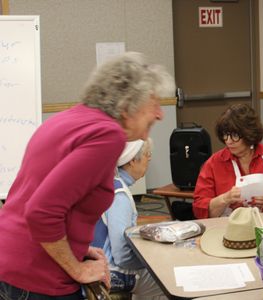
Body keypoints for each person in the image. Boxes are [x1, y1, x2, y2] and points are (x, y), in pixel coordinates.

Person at [0, 52, 174, 299]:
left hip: (13, 262)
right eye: (153, 102)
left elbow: (47, 199)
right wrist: (77, 268)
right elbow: (41, 211)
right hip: (39, 275)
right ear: (128, 105)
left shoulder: (71, 119)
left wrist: (78, 249)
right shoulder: (107, 135)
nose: (160, 113)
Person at [192, 103, 263, 218]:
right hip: (229, 230)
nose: (229, 141)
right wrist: (225, 199)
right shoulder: (214, 164)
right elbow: (199, 209)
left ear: (249, 134)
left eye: (235, 135)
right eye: (225, 135)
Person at [91, 139, 166, 299]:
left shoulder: (108, 184)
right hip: (110, 270)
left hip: (97, 263)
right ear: (133, 160)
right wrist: (151, 262)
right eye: (148, 155)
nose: (150, 159)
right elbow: (121, 255)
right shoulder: (119, 196)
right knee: (167, 279)